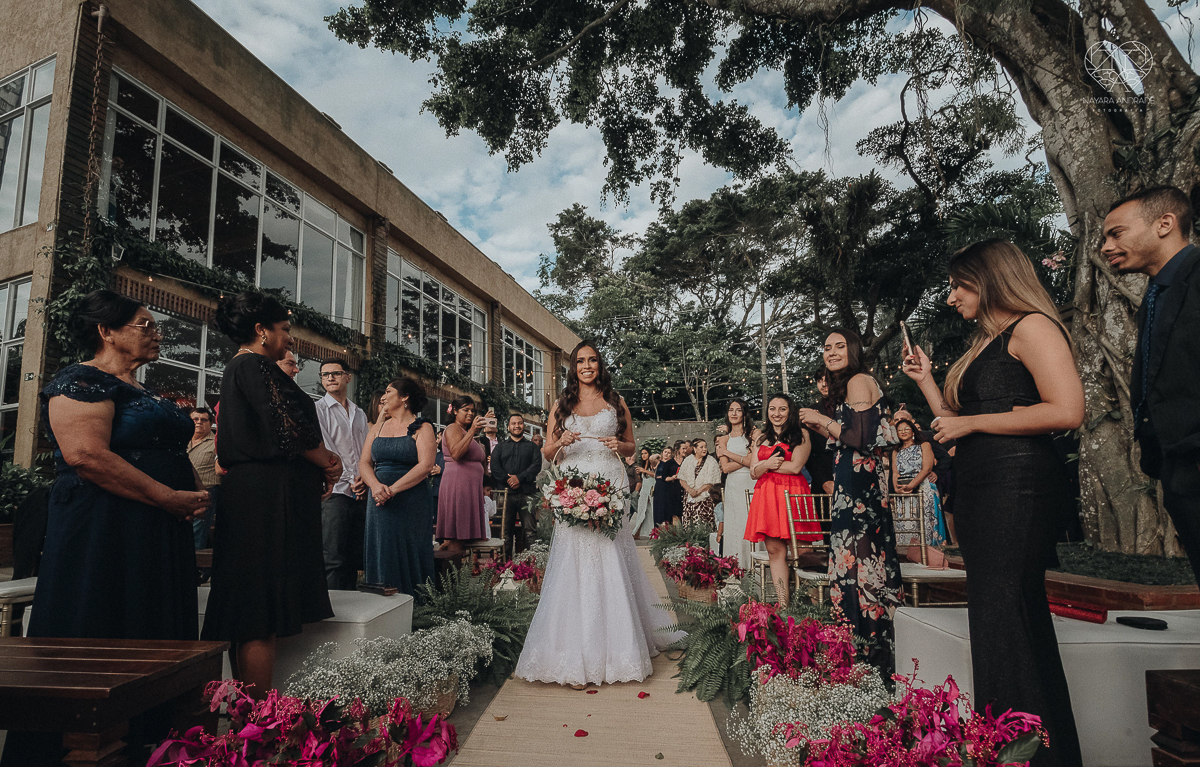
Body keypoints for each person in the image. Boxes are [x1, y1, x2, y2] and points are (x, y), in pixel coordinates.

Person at [8, 292, 212, 767]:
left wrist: (191, 486)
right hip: (103, 527)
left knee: (150, 627)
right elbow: (87, 456)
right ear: (107, 331)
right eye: (145, 324)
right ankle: (73, 746)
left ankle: (149, 738)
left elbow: (163, 448)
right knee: (101, 621)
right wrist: (167, 496)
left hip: (154, 527)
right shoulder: (78, 380)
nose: (156, 332)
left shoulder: (142, 390)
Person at [902, 239, 1085, 767]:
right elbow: (955, 433)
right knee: (995, 618)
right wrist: (927, 382)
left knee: (1007, 614)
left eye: (959, 284)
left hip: (1018, 487)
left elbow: (1068, 409)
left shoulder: (1033, 326)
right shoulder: (986, 342)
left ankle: (1026, 754)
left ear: (990, 279)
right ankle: (1010, 748)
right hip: (982, 485)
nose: (951, 296)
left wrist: (973, 421)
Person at [514, 341, 682, 687]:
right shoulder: (562, 404)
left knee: (610, 556)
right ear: (573, 366)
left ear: (599, 364)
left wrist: (620, 447)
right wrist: (560, 443)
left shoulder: (615, 401)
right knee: (572, 561)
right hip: (571, 487)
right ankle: (571, 652)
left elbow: (631, 444)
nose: (586, 366)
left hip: (609, 485)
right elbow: (546, 450)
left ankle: (619, 647)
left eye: (592, 360)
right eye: (580, 361)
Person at [201, 292, 342, 699]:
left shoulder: (243, 367)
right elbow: (287, 429)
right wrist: (327, 460)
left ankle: (249, 711)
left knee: (247, 603)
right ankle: (258, 722)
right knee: (258, 607)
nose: (290, 339)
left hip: (258, 494)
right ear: (261, 331)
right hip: (265, 499)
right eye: (284, 330)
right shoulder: (253, 365)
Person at [1103, 186, 1200, 587]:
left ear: (1165, 224)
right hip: (1178, 470)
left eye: (1116, 233)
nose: (1106, 246)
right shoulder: (1154, 297)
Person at [799, 328, 903, 674]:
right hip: (850, 487)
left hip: (862, 491)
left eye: (839, 346)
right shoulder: (849, 387)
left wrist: (820, 420)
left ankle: (870, 660)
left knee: (861, 571)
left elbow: (859, 438)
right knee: (850, 568)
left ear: (854, 350)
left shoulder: (859, 380)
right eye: (827, 347)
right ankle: (855, 654)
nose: (831, 352)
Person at [360, 377, 436, 596]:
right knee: (382, 547)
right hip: (378, 499)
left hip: (410, 498)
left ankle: (416, 606)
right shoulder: (377, 427)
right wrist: (375, 486)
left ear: (404, 398)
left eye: (388, 391)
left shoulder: (423, 427)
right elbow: (364, 462)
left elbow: (425, 465)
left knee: (410, 549)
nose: (382, 397)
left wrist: (391, 490)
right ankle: (381, 603)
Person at [747, 393, 814, 606]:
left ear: (790, 411)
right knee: (775, 550)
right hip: (766, 495)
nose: (776, 414)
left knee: (803, 550)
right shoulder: (760, 438)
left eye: (782, 409)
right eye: (772, 409)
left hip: (794, 493)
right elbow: (753, 472)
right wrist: (764, 466)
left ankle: (813, 604)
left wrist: (765, 466)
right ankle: (783, 604)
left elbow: (796, 467)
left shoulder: (801, 434)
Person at [315, 359, 370, 591]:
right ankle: (333, 612)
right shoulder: (318, 409)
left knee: (353, 557)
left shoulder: (359, 413)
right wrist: (351, 478)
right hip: (336, 491)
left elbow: (367, 449)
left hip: (360, 492)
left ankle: (351, 607)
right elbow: (327, 451)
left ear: (348, 377)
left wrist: (364, 479)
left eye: (336, 373)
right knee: (333, 557)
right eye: (325, 374)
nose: (330, 378)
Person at [437, 395, 489, 553]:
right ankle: (452, 576)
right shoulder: (452, 428)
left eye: (473, 410)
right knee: (457, 535)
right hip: (458, 486)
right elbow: (456, 454)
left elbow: (481, 463)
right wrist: (472, 430)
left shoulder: (466, 433)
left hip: (469, 488)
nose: (471, 413)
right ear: (454, 411)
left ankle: (457, 572)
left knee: (464, 536)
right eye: (466, 410)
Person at [491, 413, 543, 552]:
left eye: (519, 423)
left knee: (530, 532)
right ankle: (506, 567)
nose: (517, 426)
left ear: (523, 426)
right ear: (508, 427)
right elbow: (495, 467)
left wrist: (519, 478)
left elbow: (536, 466)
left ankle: (534, 567)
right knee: (505, 532)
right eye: (513, 423)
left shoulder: (533, 447)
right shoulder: (500, 447)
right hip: (506, 494)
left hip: (527, 493)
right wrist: (509, 480)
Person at [891, 418, 947, 546]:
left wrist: (912, 485)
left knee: (925, 522)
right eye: (899, 430)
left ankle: (930, 553)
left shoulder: (924, 445)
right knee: (907, 521)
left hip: (923, 487)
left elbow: (927, 468)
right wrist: (897, 488)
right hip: (904, 490)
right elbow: (895, 472)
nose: (903, 432)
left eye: (906, 428)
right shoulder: (896, 451)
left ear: (913, 431)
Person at [715, 399, 756, 570]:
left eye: (738, 410)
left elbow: (752, 460)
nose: (733, 413)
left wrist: (729, 453)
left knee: (751, 521)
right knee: (735, 524)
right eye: (731, 410)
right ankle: (735, 566)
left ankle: (755, 564)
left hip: (752, 481)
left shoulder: (754, 434)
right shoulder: (723, 439)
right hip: (733, 485)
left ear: (744, 413)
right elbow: (725, 467)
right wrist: (747, 459)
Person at [188, 407, 220, 553]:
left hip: (206, 494)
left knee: (196, 536)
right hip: (182, 493)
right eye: (195, 419)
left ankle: (197, 572)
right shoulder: (183, 442)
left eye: (203, 420)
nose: (199, 422)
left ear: (210, 423)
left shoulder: (216, 444)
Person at [679, 438, 722, 528]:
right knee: (689, 524)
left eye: (705, 447)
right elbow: (682, 478)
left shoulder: (711, 461)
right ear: (695, 449)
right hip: (690, 497)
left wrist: (698, 492)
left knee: (703, 524)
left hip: (705, 497)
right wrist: (690, 490)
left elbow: (711, 481)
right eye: (701, 447)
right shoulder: (688, 460)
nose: (704, 449)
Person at [805, 368, 835, 495]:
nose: (823, 384)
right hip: (822, 482)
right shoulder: (811, 411)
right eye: (819, 380)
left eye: (827, 379)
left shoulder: (849, 406)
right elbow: (808, 453)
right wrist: (824, 481)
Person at [629, 447, 657, 539]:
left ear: (649, 454)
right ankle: (637, 532)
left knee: (650, 513)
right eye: (642, 453)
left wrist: (644, 471)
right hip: (644, 491)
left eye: (645, 453)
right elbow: (642, 480)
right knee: (642, 512)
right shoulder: (642, 464)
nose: (643, 455)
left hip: (651, 491)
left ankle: (650, 533)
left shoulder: (652, 464)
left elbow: (656, 475)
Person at [652, 445, 682, 528]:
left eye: (669, 453)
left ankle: (667, 527)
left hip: (667, 485)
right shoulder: (658, 462)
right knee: (658, 507)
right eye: (665, 452)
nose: (667, 454)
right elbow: (651, 458)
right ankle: (657, 528)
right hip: (659, 486)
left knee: (666, 507)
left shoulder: (671, 463)